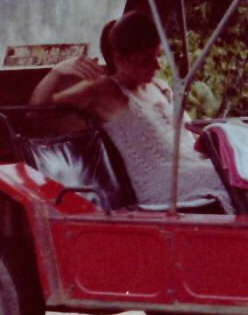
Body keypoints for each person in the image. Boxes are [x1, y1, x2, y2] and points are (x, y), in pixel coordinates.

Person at [31, 11, 228, 206]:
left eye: (158, 56)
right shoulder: (104, 90)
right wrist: (56, 73)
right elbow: (34, 113)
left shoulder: (161, 87)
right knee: (231, 177)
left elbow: (190, 135)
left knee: (238, 168)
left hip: (195, 166)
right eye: (146, 59)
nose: (157, 65)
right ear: (119, 58)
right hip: (165, 186)